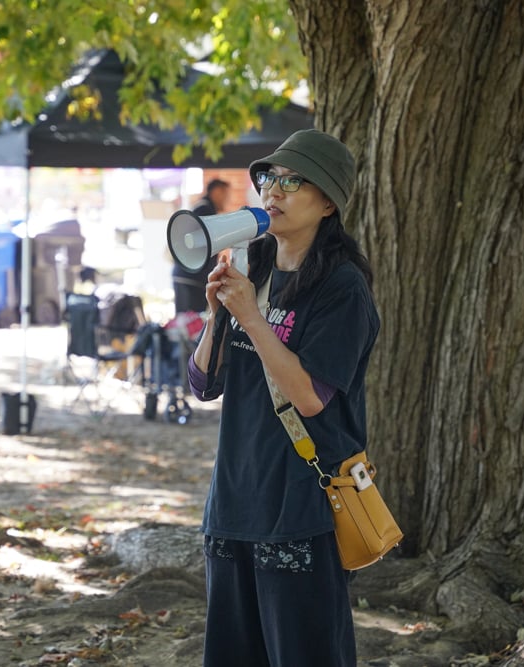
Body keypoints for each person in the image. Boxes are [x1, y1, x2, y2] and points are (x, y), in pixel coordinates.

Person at [186, 129, 379, 667]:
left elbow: (311, 397)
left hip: (299, 504)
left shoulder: (342, 288)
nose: (274, 189)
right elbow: (203, 386)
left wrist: (251, 314)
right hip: (233, 500)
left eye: (293, 180)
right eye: (269, 177)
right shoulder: (254, 265)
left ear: (329, 202)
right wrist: (217, 315)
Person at [172, 178, 230, 313]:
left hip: (189, 276)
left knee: (188, 323)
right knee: (189, 324)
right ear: (216, 192)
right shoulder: (205, 210)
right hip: (191, 278)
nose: (227, 199)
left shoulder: (202, 208)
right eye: (225, 194)